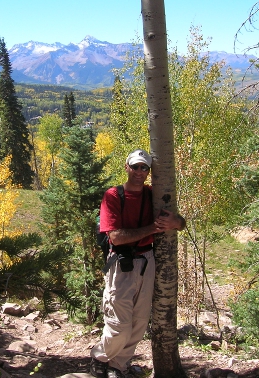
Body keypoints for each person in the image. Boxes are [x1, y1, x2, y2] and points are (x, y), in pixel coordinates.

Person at [90, 149, 186, 378]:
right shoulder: (113, 196)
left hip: (147, 261)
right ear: (127, 167)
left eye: (144, 168)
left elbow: (180, 223)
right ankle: (99, 357)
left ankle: (117, 366)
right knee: (119, 324)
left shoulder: (153, 195)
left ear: (149, 172)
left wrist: (176, 221)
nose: (139, 172)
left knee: (140, 323)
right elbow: (115, 237)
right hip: (121, 264)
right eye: (135, 167)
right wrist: (154, 228)